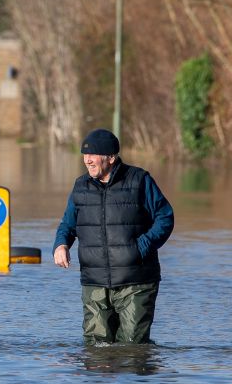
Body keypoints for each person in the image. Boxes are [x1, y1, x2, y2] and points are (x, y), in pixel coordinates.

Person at [53, 129, 174, 345]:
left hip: (135, 282)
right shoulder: (80, 187)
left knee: (131, 348)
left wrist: (141, 247)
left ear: (111, 157)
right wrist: (61, 244)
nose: (87, 160)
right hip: (94, 282)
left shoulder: (139, 180)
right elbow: (68, 224)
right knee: (96, 351)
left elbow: (165, 217)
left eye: (93, 155)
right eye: (84, 155)